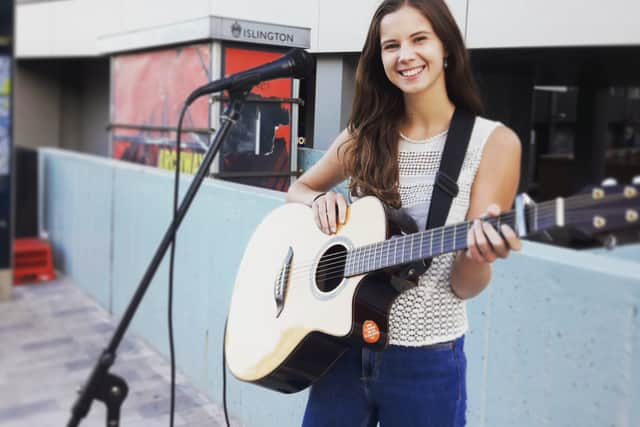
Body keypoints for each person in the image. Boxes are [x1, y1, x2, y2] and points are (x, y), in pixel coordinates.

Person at [286, 0, 522, 425]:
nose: (405, 55)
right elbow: (297, 189)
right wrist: (316, 200)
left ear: (446, 47)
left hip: (427, 362)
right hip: (343, 346)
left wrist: (479, 254)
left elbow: (465, 287)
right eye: (391, 45)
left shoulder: (494, 144)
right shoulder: (363, 136)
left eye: (419, 39)